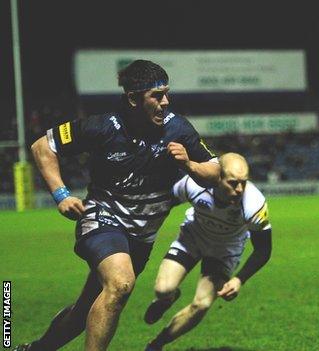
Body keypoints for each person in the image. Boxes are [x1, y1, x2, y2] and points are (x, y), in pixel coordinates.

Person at [19, 60, 220, 351]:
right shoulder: (103, 126)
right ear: (133, 98)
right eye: (157, 95)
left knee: (83, 314)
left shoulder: (178, 128)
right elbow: (43, 146)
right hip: (103, 219)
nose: (166, 102)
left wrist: (189, 164)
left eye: (167, 93)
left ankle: (37, 349)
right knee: (121, 283)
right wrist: (62, 195)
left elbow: (215, 171)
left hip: (141, 238)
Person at [143, 153, 272, 351]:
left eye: (244, 183)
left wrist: (239, 280)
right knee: (163, 290)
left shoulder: (254, 204)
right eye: (233, 183)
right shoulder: (194, 185)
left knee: (202, 304)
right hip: (192, 239)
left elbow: (263, 250)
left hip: (224, 251)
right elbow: (166, 200)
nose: (239, 189)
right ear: (217, 176)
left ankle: (156, 345)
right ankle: (168, 298)